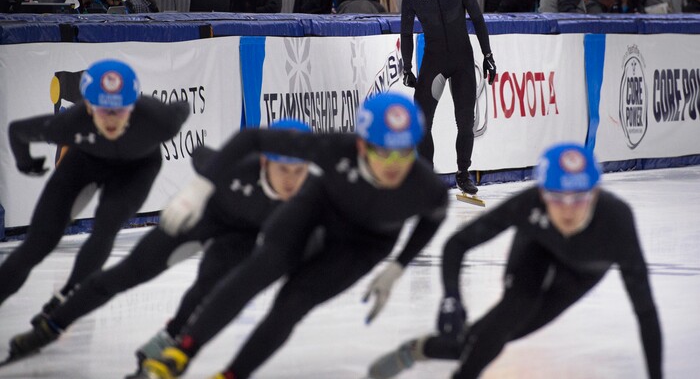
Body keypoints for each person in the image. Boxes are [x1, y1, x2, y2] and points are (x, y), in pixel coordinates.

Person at [140, 92, 449, 379]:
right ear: (361, 145)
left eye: (404, 152)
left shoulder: (425, 187)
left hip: (363, 244)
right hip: (317, 211)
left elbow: (434, 218)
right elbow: (252, 138)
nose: (394, 164)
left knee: (292, 304)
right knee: (256, 272)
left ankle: (231, 375)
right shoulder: (333, 148)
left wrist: (398, 266)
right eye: (384, 151)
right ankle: (181, 352)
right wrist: (201, 186)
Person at [5, 120, 316, 371]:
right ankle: (53, 324)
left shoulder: (311, 195)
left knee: (207, 290)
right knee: (127, 273)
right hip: (202, 216)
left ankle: (166, 340)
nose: (290, 181)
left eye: (298, 171)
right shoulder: (237, 168)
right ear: (264, 161)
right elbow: (201, 154)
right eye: (283, 170)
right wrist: (193, 192)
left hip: (241, 237)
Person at [368, 143, 662, 379]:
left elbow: (645, 311)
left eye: (579, 199)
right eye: (557, 199)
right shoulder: (529, 203)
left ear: (596, 194)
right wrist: (451, 298)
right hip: (537, 250)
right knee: (503, 324)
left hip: (582, 272)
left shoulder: (617, 220)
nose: (568, 211)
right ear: (542, 195)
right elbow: (457, 243)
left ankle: (418, 350)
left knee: (483, 339)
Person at [0, 60, 189, 320]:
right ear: (87, 106)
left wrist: (26, 163)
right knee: (38, 243)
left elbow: (183, 107)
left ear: (133, 106)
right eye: (103, 111)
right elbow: (17, 131)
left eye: (120, 111)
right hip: (86, 161)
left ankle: (68, 295)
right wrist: (25, 163)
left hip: (136, 169)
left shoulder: (159, 120)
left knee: (106, 226)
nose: (111, 120)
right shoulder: (69, 123)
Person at [400, 0, 496, 196]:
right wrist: (406, 66)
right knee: (422, 123)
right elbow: (406, 33)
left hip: (462, 61)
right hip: (434, 62)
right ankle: (426, 177)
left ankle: (463, 174)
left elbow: (477, 20)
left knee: (465, 123)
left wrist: (488, 55)